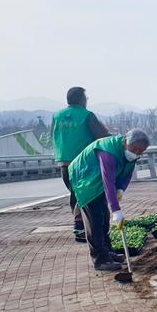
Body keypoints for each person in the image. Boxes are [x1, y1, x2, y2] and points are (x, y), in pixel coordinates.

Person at [68, 128, 150, 272]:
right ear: (126, 142)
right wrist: (116, 209)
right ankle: (100, 260)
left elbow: (127, 173)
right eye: (135, 149)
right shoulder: (108, 153)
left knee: (104, 218)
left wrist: (121, 189)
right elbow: (108, 182)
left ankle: (107, 252)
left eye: (141, 151)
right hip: (85, 180)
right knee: (95, 221)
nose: (137, 153)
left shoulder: (131, 154)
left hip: (98, 181)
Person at [51, 87, 110, 242]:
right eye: (86, 98)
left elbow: (53, 136)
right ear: (81, 99)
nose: (86, 101)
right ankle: (81, 227)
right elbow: (102, 137)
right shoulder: (87, 115)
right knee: (86, 194)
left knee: (75, 193)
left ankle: (80, 227)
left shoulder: (56, 116)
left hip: (63, 162)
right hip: (83, 162)